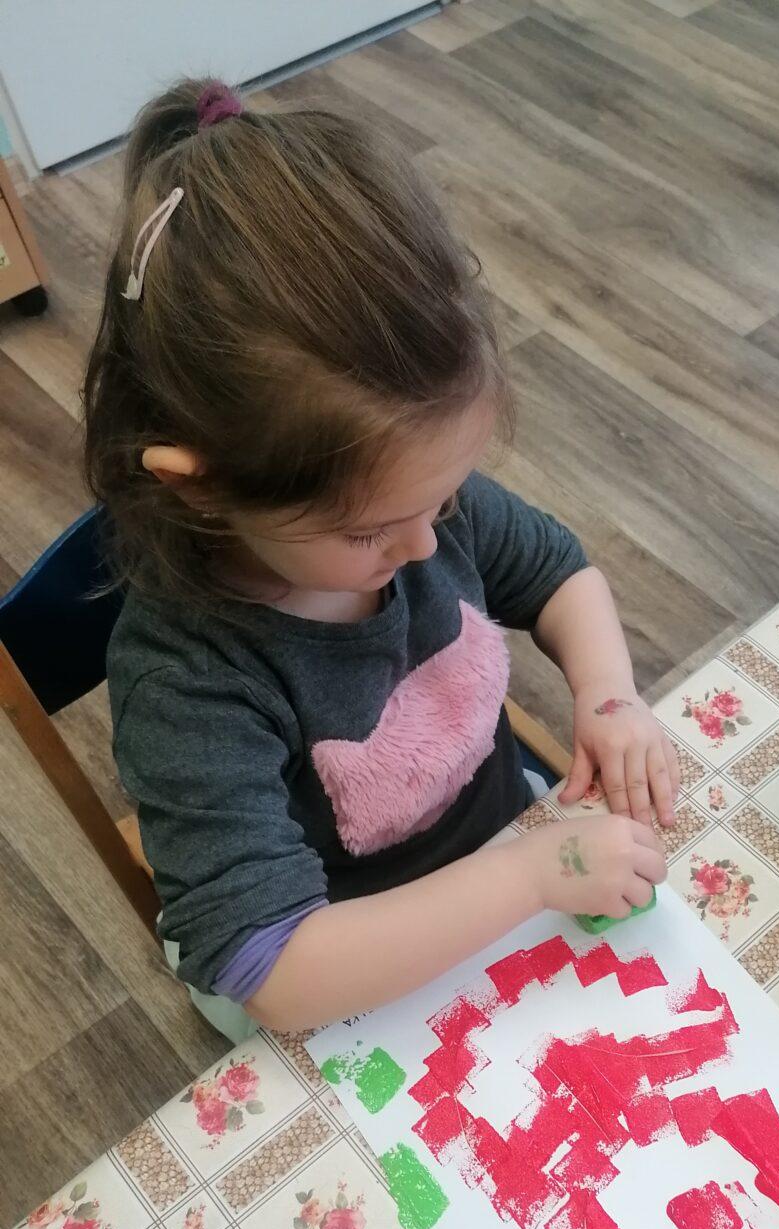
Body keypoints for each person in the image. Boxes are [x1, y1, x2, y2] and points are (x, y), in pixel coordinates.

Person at [86, 79, 676, 1041]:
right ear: (201, 487)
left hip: (496, 859)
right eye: (369, 532)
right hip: (336, 975)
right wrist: (536, 875)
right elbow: (273, 970)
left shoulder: (407, 496)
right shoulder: (185, 679)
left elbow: (560, 574)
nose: (426, 545)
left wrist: (609, 697)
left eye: (443, 498)